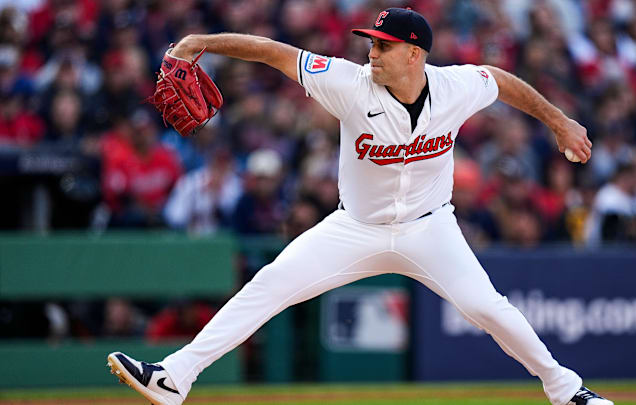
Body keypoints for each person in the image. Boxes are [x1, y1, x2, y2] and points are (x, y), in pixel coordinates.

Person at [106, 8, 609, 405]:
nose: (371, 51)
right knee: (269, 285)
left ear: (415, 54)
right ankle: (175, 376)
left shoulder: (455, 87)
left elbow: (500, 80)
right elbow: (273, 52)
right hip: (355, 228)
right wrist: (201, 44)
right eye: (370, 41)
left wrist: (559, 121)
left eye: (383, 45)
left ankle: (568, 391)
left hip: (429, 229)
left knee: (487, 307)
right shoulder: (349, 83)